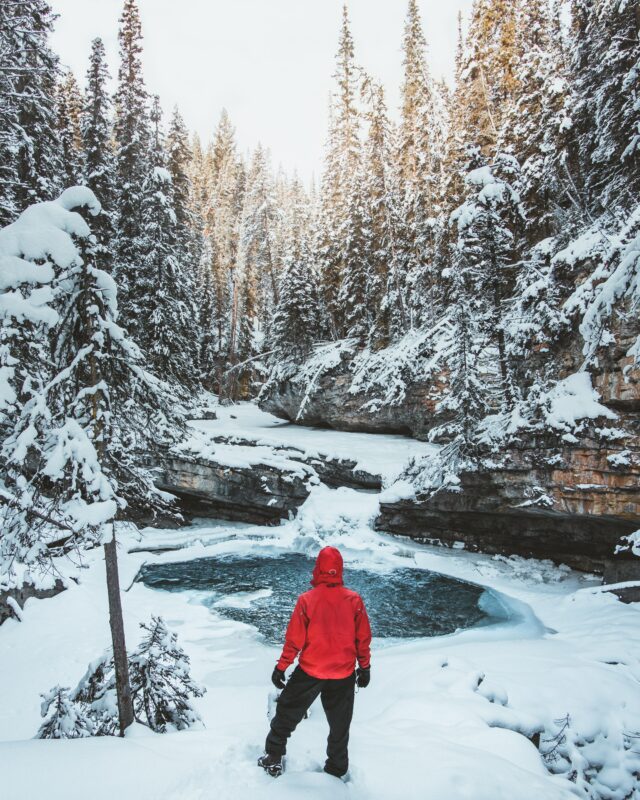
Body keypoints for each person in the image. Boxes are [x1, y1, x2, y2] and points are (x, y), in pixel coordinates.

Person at [258, 546, 372, 779]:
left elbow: (294, 640)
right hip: (343, 673)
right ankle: (336, 769)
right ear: (339, 569)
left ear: (318, 568)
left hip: (311, 670)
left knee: (287, 713)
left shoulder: (307, 600)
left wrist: (282, 667)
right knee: (340, 724)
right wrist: (365, 667)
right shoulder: (354, 600)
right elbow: (363, 638)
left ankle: (273, 757)